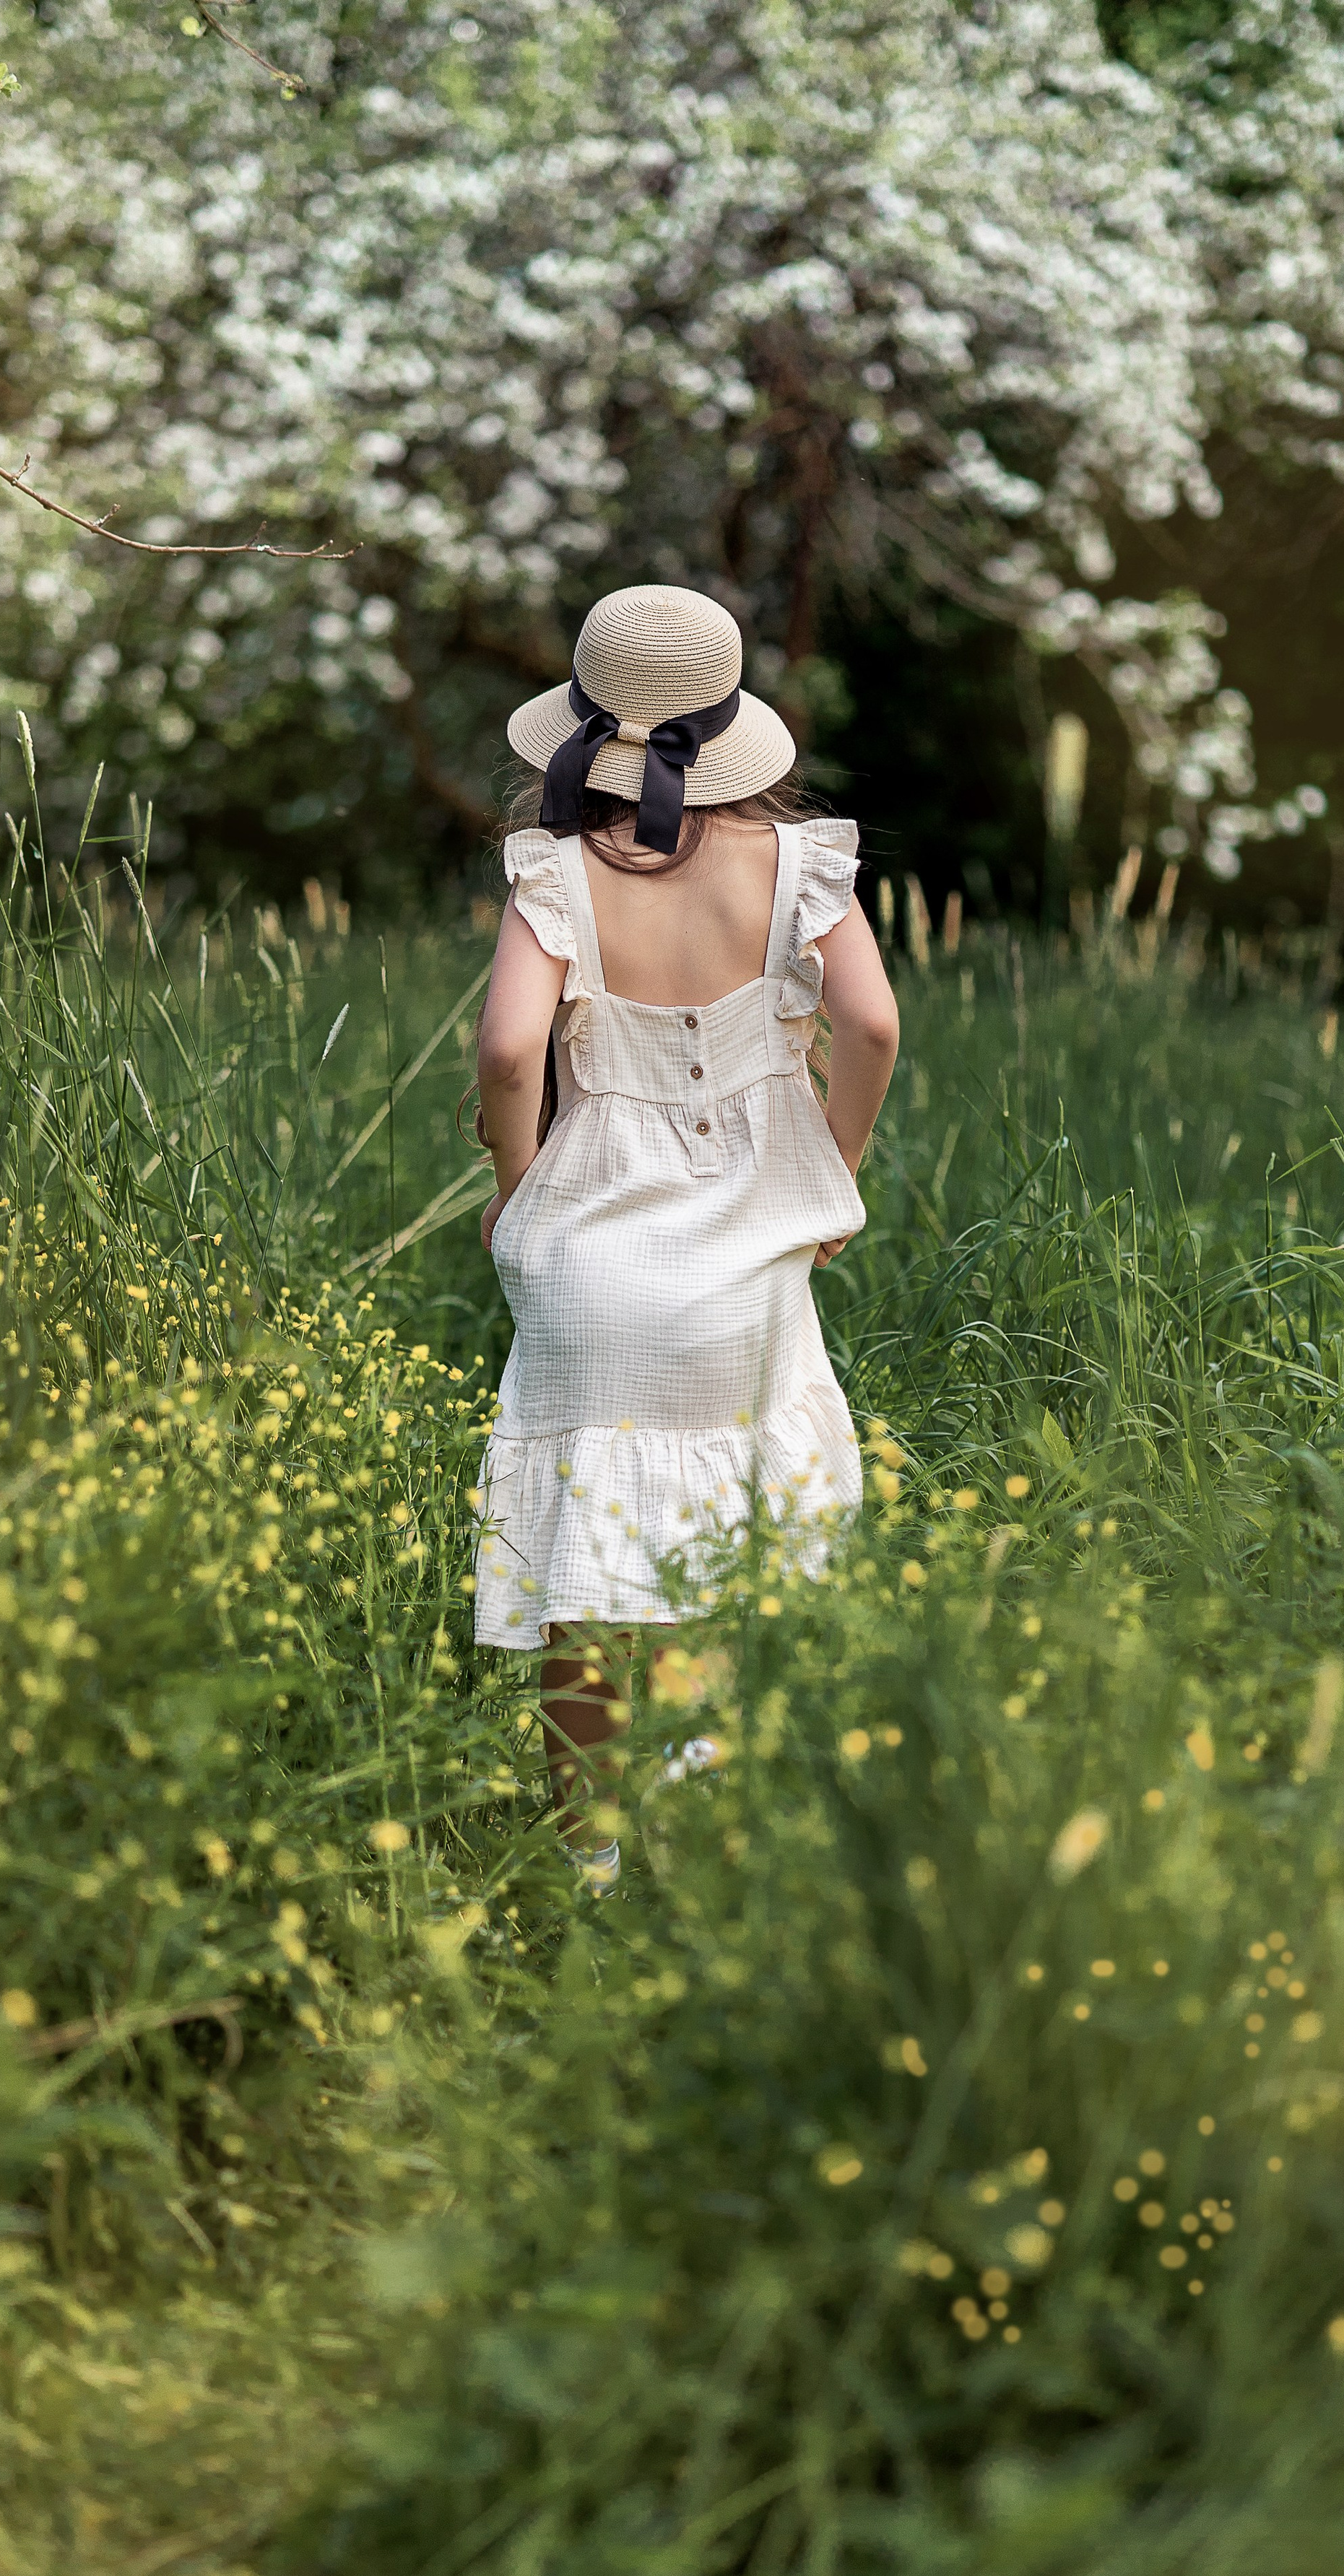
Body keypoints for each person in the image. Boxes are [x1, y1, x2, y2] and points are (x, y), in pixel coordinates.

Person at [472, 583, 899, 1891]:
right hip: (747, 1267)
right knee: (730, 1536)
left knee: (586, 1575)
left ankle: (591, 1863)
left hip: (592, 1260)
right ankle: (700, 1815)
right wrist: (834, 1167)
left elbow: (508, 1052)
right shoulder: (800, 864)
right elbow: (873, 1025)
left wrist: (518, 1184)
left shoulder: (555, 872)